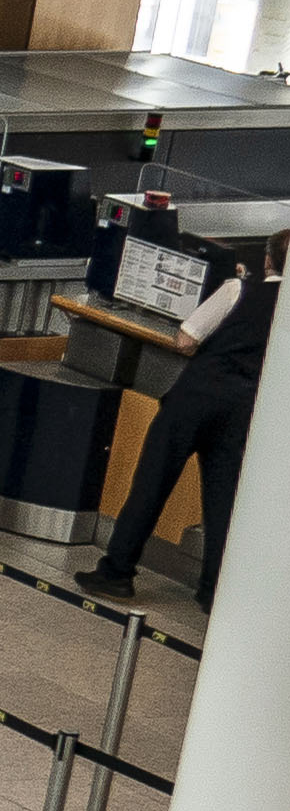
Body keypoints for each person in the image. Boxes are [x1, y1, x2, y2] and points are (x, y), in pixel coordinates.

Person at [90, 232, 262, 604]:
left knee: (152, 483)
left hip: (195, 399)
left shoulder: (237, 290)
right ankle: (213, 591)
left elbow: (186, 339)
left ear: (268, 262)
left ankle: (116, 573)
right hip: (244, 410)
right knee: (222, 502)